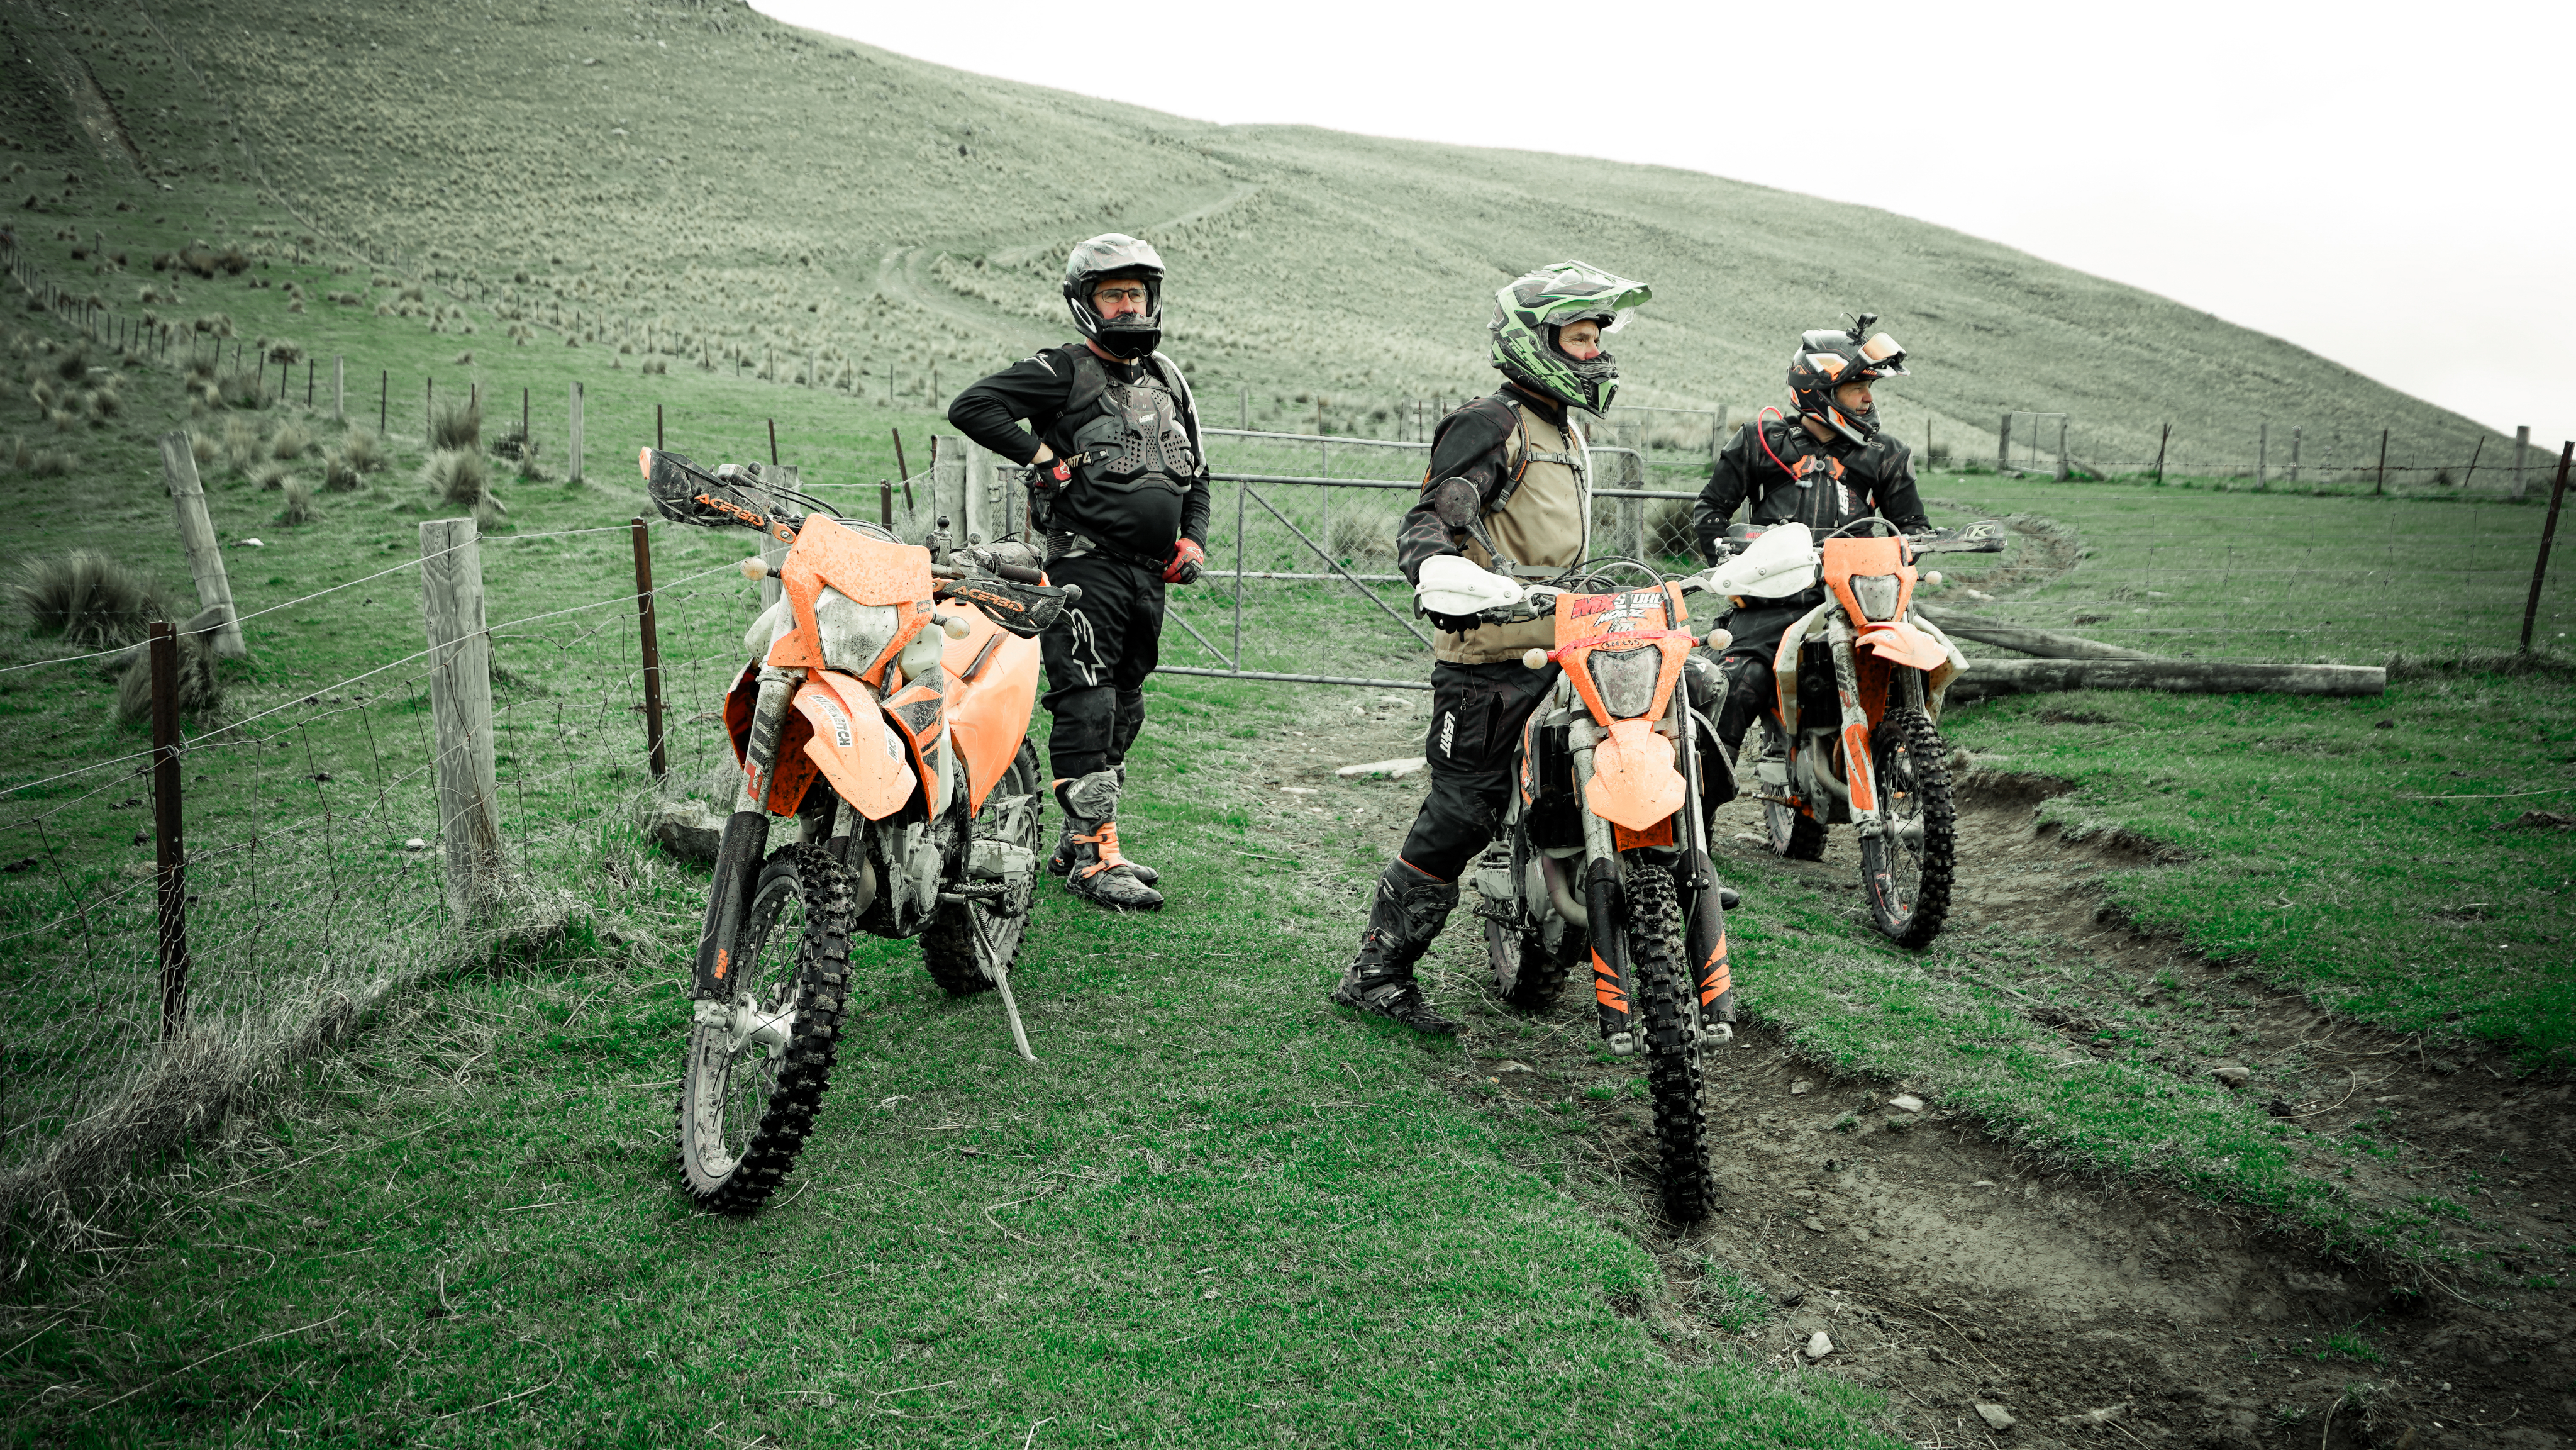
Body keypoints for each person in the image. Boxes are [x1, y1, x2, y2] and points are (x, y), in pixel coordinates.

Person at [1330, 262, 1650, 1034]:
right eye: (1578, 336)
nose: (1593, 351)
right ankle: (1378, 969)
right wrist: (1437, 566)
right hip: (1492, 654)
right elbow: (1434, 515)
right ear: (1533, 341)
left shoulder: (1566, 430)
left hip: (1573, 648)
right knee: (1464, 809)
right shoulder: (1492, 421)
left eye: (1597, 336)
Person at [947, 234, 1211, 912]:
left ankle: (1080, 835)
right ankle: (1096, 858)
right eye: (1111, 295)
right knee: (1086, 700)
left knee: (1126, 703)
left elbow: (1198, 475)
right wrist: (1041, 455)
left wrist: (1193, 541)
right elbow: (972, 407)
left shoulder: (1169, 380)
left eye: (1136, 294)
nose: (1126, 307)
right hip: (1081, 567)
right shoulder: (1061, 369)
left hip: (1147, 575)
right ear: (1085, 303)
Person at [1687, 315, 1931, 771]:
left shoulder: (1886, 454)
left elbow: (1913, 527)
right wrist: (1731, 559)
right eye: (1857, 386)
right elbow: (1710, 511)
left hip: (1858, 602)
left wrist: (1911, 550)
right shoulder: (1761, 441)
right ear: (1819, 390)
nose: (1868, 397)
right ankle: (1701, 812)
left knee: (1908, 671)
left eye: (1871, 387)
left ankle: (1908, 766)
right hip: (1770, 604)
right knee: (1734, 687)